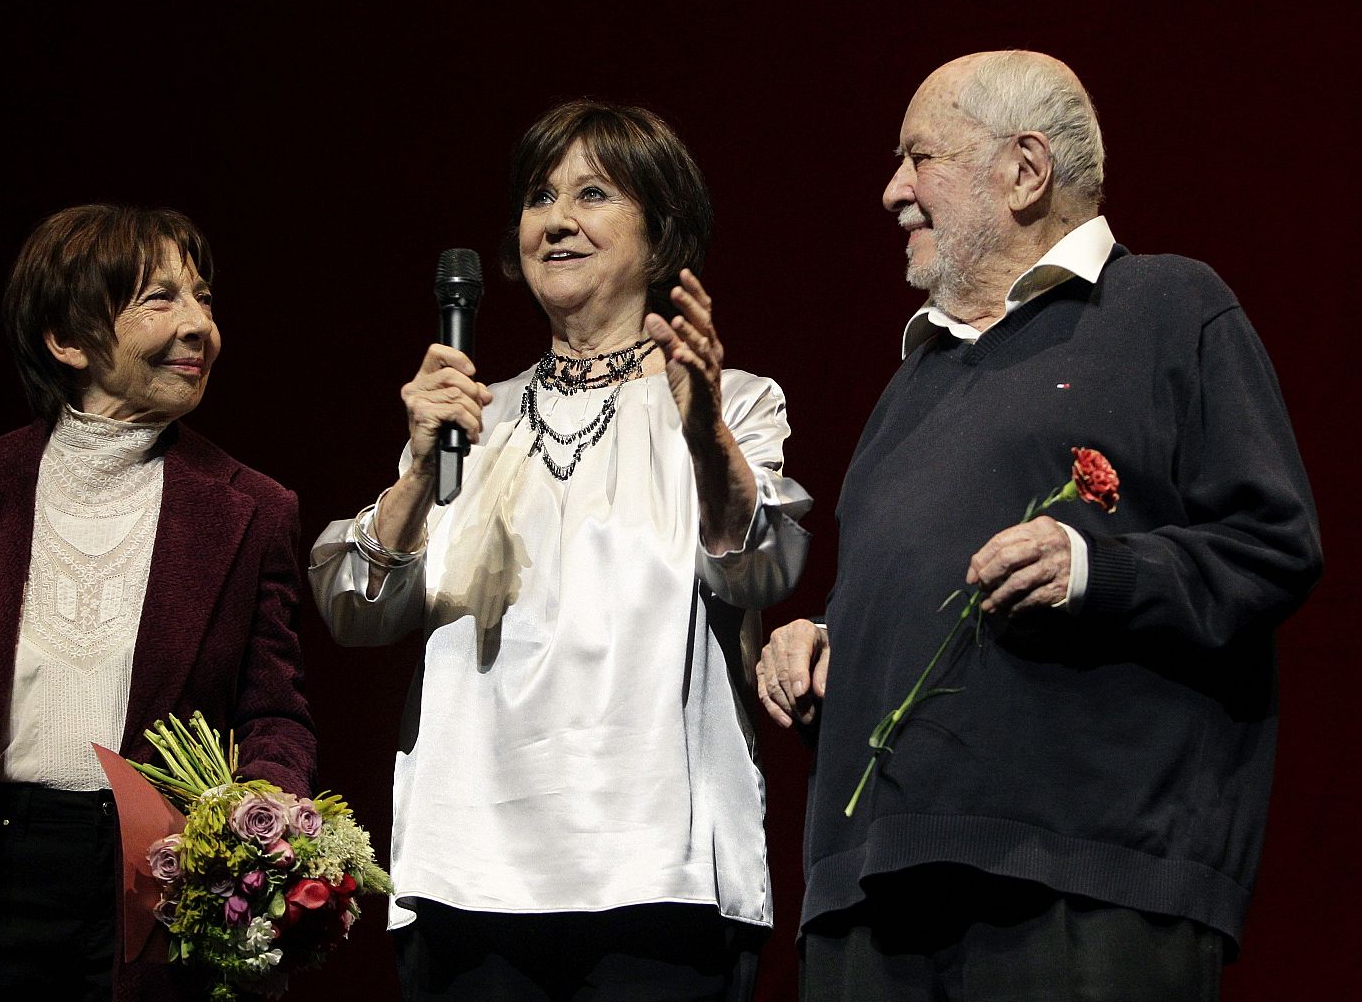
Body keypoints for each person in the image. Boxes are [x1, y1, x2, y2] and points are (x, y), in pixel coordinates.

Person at [758, 50, 1323, 1000]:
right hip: (872, 891)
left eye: (918, 158)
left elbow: (1273, 547)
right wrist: (826, 644)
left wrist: (1095, 569)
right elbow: (903, 592)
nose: (892, 190)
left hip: (1083, 883)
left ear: (1024, 171)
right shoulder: (910, 383)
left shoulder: (1169, 308)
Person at [310, 100, 810, 1001]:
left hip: (661, 878)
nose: (557, 219)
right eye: (540, 196)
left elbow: (763, 565)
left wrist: (702, 439)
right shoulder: (470, 417)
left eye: (593, 194)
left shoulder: (732, 402)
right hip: (470, 877)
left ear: (660, 240)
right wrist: (419, 471)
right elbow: (355, 607)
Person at [0, 205, 317, 1002]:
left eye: (204, 298)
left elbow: (276, 712)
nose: (200, 326)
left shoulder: (254, 510)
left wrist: (266, 818)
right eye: (160, 299)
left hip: (155, 901)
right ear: (66, 341)